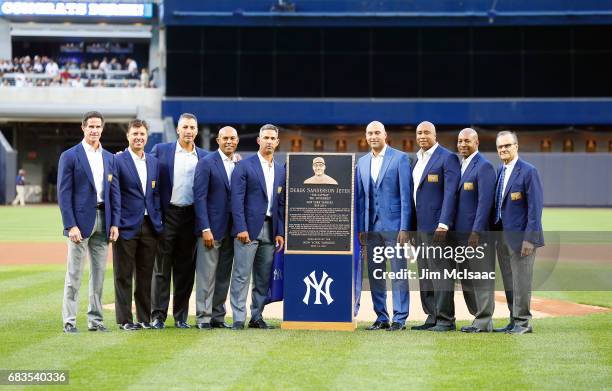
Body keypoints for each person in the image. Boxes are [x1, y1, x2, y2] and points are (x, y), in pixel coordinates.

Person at [57, 111, 120, 333]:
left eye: (98, 127)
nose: (94, 130)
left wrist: (115, 223)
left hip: (104, 220)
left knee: (99, 275)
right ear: (83, 128)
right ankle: (69, 321)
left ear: (102, 129)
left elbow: (114, 194)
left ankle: (96, 320)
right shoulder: (70, 156)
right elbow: (64, 194)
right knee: (74, 274)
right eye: (91, 126)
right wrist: (70, 225)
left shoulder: (110, 158)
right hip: (80, 223)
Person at [150, 113, 207, 329]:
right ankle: (158, 316)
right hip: (167, 215)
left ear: (197, 130)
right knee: (161, 268)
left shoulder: (204, 157)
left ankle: (181, 316)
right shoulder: (161, 151)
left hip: (190, 217)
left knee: (185, 270)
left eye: (192, 127)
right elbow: (145, 170)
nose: (189, 131)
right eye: (185, 127)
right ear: (178, 129)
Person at [356, 121, 413, 331]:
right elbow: (361, 199)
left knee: (399, 273)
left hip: (395, 226)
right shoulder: (361, 163)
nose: (373, 136)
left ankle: (400, 318)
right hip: (371, 228)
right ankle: (381, 317)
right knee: (375, 274)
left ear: (385, 135)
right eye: (370, 133)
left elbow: (407, 197)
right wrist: (361, 229)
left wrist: (405, 227)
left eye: (377, 132)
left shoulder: (400, 158)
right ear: (366, 136)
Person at [230, 124, 285, 330]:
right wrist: (241, 227)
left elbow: (280, 204)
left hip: (271, 230)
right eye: (266, 138)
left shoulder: (280, 170)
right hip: (248, 229)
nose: (269, 141)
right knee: (242, 275)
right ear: (258, 140)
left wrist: (280, 232)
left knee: (263, 277)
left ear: (277, 142)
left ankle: (256, 317)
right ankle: (237, 318)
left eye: (273, 138)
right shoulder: (244, 166)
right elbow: (236, 200)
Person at [113, 119, 163, 331]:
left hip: (149, 226)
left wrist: (157, 219)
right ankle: (125, 320)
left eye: (142, 134)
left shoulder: (153, 162)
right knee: (123, 275)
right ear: (128, 137)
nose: (139, 137)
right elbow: (114, 195)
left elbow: (156, 194)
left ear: (147, 136)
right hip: (126, 226)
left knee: (145, 276)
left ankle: (144, 318)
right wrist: (115, 223)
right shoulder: (118, 160)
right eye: (135, 134)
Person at [493, 130, 544, 335]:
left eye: (507, 145)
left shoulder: (528, 171)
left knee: (521, 281)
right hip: (501, 235)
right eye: (500, 147)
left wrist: (530, 239)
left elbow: (535, 208)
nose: (503, 149)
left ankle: (523, 323)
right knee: (508, 280)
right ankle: (514, 320)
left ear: (516, 146)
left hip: (522, 238)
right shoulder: (501, 171)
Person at [411, 121, 460, 332]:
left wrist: (444, 223)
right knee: (426, 274)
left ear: (435, 134)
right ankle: (432, 316)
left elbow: (451, 193)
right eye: (419, 132)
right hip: (420, 228)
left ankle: (446, 319)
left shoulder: (447, 157)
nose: (422, 136)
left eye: (426, 132)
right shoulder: (417, 159)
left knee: (441, 273)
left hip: (437, 228)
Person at [193, 126, 239, 329]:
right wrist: (205, 228)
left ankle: (217, 316)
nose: (229, 141)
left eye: (232, 138)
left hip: (231, 230)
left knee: (222, 275)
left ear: (237, 141)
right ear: (218, 140)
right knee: (206, 275)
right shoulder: (206, 163)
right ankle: (203, 317)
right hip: (211, 229)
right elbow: (199, 197)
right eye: (225, 138)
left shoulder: (239, 164)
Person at [454, 128, 496, 333]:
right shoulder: (460, 165)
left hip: (476, 236)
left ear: (477, 142)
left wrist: (476, 232)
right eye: (460, 141)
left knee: (481, 278)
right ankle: (477, 318)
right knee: (467, 279)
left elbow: (484, 203)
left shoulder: (484, 166)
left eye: (467, 141)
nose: (463, 144)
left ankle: (484, 321)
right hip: (459, 236)